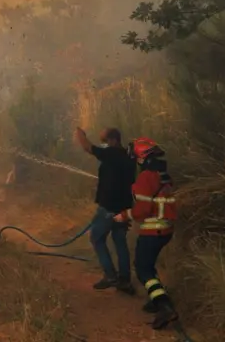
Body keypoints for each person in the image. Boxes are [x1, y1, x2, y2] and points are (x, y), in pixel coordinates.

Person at [114, 137, 179, 330]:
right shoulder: (162, 174)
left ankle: (163, 305)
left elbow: (142, 210)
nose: (135, 161)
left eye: (135, 157)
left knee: (142, 268)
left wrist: (123, 215)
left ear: (141, 158)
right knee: (148, 265)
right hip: (165, 229)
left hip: (153, 230)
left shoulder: (145, 177)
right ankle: (156, 297)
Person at [75, 126, 136, 293]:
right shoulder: (128, 157)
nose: (104, 145)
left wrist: (80, 134)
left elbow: (88, 148)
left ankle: (110, 276)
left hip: (108, 207)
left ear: (114, 140)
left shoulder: (112, 154)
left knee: (96, 238)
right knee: (119, 241)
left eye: (105, 141)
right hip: (124, 208)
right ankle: (124, 280)